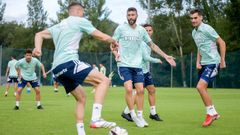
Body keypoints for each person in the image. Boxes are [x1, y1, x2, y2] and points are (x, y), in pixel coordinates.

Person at [33, 2, 119, 135]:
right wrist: (113, 41)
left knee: (81, 98)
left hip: (57, 69)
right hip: (69, 63)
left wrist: (38, 49)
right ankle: (96, 119)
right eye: (83, 12)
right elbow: (99, 35)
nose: (83, 14)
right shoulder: (79, 20)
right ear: (78, 11)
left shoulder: (59, 25)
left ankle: (81, 133)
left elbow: (39, 34)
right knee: (105, 81)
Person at [112, 7, 176, 127]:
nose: (131, 17)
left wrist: (165, 55)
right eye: (129, 15)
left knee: (141, 91)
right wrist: (116, 54)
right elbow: (113, 45)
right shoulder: (120, 28)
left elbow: (152, 45)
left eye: (133, 15)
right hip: (124, 64)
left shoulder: (141, 31)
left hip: (137, 66)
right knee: (129, 90)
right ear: (126, 16)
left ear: (137, 16)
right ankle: (133, 115)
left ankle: (140, 116)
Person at [190, 9, 226, 127]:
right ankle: (213, 112)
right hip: (204, 64)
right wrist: (198, 62)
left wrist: (222, 60)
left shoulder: (207, 29)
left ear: (201, 18)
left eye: (195, 18)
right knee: (202, 89)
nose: (193, 20)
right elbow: (200, 48)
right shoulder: (194, 33)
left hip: (213, 62)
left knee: (200, 87)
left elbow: (222, 42)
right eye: (192, 18)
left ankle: (210, 113)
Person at [121, 24, 163, 122]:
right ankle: (126, 112)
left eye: (150, 30)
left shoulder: (149, 43)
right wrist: (158, 60)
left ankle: (153, 113)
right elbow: (146, 58)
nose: (148, 32)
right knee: (139, 92)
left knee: (152, 90)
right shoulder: (141, 42)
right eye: (146, 30)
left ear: (152, 32)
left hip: (145, 71)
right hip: (138, 70)